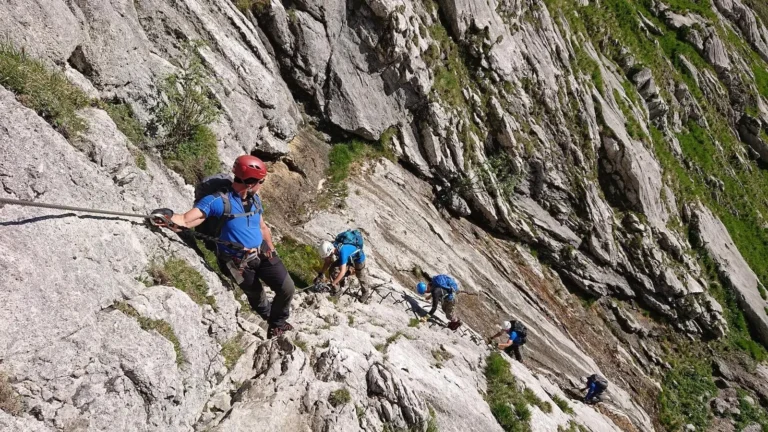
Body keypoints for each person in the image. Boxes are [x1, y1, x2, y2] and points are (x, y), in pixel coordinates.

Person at [152, 155, 295, 339]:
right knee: (257, 295)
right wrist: (167, 216)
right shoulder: (217, 201)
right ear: (250, 182)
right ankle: (272, 322)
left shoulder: (255, 199)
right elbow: (186, 219)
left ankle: (278, 323)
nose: (262, 184)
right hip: (236, 261)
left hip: (262, 251)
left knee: (288, 288)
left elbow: (262, 226)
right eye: (261, 181)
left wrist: (271, 247)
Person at [315, 234, 371, 303]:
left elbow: (342, 272)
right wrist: (321, 273)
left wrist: (333, 283)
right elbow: (328, 262)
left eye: (327, 256)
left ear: (330, 252)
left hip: (359, 259)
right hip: (348, 257)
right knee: (332, 269)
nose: (327, 258)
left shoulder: (342, 252)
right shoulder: (333, 246)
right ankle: (337, 291)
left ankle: (365, 292)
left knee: (360, 275)